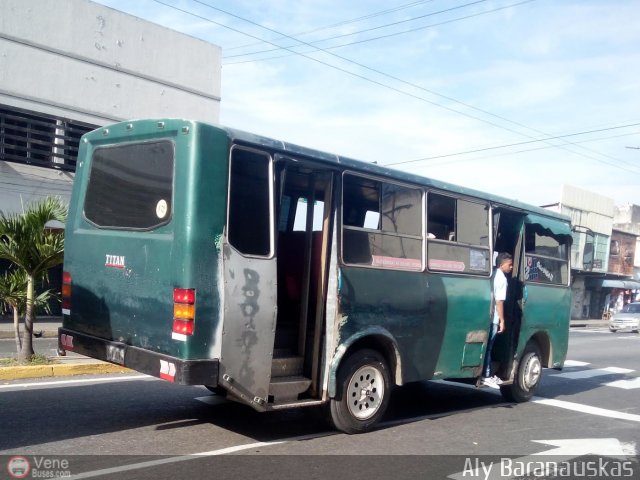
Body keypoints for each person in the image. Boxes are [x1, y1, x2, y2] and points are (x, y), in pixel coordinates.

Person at [478, 252, 513, 388]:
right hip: (494, 318)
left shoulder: (492, 274)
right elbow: (499, 302)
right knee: (489, 347)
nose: (511, 267)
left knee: (486, 347)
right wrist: (502, 321)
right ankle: (486, 375)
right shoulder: (502, 279)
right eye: (509, 265)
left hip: (486, 315)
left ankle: (486, 374)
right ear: (501, 264)